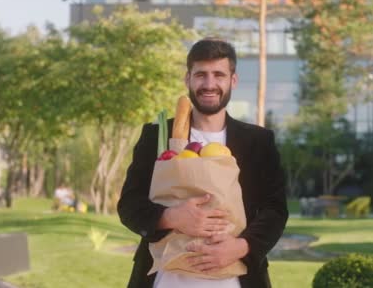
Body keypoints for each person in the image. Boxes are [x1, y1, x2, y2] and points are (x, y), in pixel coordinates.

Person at [118, 38, 288, 288]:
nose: (209, 84)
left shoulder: (259, 141)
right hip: (165, 278)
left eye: (219, 74)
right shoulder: (157, 137)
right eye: (201, 75)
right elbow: (129, 205)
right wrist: (171, 217)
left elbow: (275, 210)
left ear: (233, 80)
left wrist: (241, 247)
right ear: (188, 79)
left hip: (236, 279)